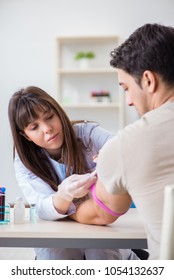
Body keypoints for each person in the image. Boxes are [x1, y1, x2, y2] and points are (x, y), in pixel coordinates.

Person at [70, 23, 174, 260]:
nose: (128, 101)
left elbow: (99, 213)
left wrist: (61, 206)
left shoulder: (128, 143)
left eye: (126, 88)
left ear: (148, 80)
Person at [8, 86, 138, 260]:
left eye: (49, 117)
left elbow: (123, 148)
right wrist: (63, 195)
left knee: (101, 251)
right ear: (25, 135)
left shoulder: (87, 134)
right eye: (34, 127)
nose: (47, 129)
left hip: (103, 236)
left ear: (58, 112)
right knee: (59, 252)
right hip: (58, 242)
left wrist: (111, 157)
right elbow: (41, 206)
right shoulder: (24, 162)